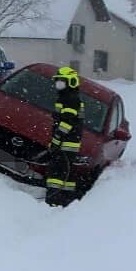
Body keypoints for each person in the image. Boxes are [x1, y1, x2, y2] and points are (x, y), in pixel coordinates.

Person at [44, 66, 87, 207]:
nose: (58, 84)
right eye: (58, 81)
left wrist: (56, 140)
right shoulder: (68, 97)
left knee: (57, 171)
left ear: (71, 82)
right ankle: (66, 199)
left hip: (66, 142)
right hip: (69, 142)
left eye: (62, 81)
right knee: (66, 172)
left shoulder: (70, 98)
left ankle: (52, 199)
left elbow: (67, 122)